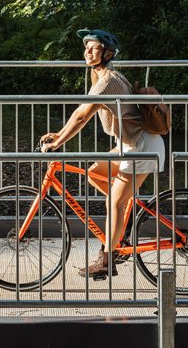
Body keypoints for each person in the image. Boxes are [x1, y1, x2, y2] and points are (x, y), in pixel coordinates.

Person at [39, 29, 166, 278]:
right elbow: (82, 111)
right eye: (86, 47)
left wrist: (58, 142)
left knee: (114, 202)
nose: (88, 51)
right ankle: (123, 222)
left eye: (94, 47)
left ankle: (108, 260)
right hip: (128, 144)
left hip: (141, 146)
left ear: (107, 53)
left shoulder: (108, 81)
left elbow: (82, 116)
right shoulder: (100, 78)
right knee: (95, 172)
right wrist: (59, 134)